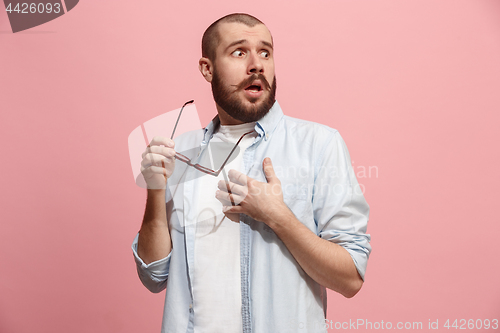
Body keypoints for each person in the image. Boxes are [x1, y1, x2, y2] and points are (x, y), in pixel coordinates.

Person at [132, 13, 371, 333]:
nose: (257, 64)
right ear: (207, 68)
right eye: (239, 52)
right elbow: (154, 275)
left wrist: (278, 217)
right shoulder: (182, 152)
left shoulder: (318, 145)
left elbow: (350, 278)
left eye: (265, 52)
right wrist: (155, 190)